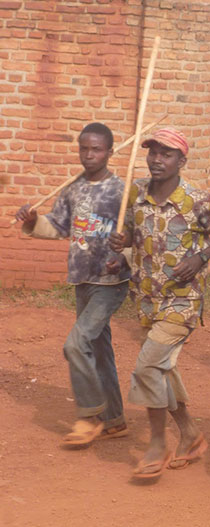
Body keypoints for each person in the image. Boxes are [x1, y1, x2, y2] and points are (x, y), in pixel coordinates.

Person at [108, 128, 210, 478]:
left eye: (166, 154)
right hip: (147, 298)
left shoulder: (197, 200)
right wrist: (121, 244)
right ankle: (190, 434)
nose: (157, 160)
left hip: (182, 300)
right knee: (162, 369)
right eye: (153, 153)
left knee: (148, 367)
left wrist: (201, 257)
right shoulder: (136, 193)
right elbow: (131, 233)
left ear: (182, 161)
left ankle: (158, 444)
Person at [16, 123, 130, 446]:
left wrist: (124, 258)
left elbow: (136, 236)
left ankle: (89, 416)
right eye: (84, 148)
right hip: (82, 278)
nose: (89, 155)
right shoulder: (73, 188)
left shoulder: (121, 192)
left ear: (110, 152)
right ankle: (114, 420)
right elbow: (59, 225)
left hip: (110, 282)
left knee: (76, 345)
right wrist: (33, 221)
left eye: (97, 149)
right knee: (98, 349)